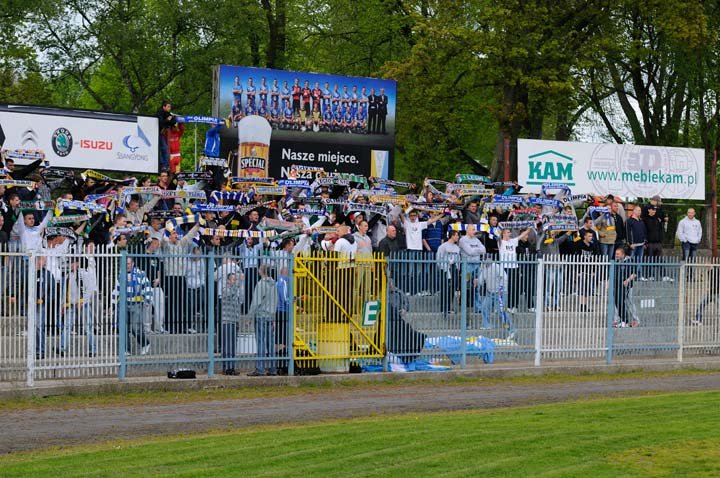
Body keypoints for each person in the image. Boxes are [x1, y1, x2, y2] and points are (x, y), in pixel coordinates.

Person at [113, 257, 153, 355]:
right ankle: (126, 350)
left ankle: (145, 344)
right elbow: (116, 290)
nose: (127, 266)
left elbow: (147, 287)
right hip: (123, 304)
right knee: (123, 327)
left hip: (137, 304)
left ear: (133, 263)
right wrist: (113, 304)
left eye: (129, 263)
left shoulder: (141, 274)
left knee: (136, 328)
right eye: (126, 264)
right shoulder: (120, 275)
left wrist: (147, 300)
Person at [247, 264, 278, 376]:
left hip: (261, 316)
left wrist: (249, 316)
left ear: (261, 271)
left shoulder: (261, 284)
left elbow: (255, 302)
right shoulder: (274, 284)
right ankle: (273, 368)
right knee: (270, 343)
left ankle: (260, 369)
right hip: (270, 316)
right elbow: (275, 301)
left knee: (260, 343)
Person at [497, 227, 532, 313]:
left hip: (514, 267)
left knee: (515, 287)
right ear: (503, 233)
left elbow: (522, 235)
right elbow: (496, 233)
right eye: (508, 232)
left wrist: (530, 227)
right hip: (505, 267)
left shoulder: (512, 241)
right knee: (507, 287)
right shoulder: (500, 242)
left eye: (510, 232)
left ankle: (514, 306)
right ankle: (507, 306)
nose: (510, 234)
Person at [221, 272, 242, 375]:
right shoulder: (225, 290)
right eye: (233, 280)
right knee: (227, 345)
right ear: (228, 280)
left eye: (236, 280)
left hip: (234, 321)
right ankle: (227, 367)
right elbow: (230, 294)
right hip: (227, 321)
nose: (235, 282)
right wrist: (239, 284)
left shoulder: (236, 291)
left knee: (233, 346)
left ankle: (232, 367)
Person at [436, 229, 461, 315]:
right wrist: (444, 268)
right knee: (445, 289)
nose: (458, 237)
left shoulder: (457, 248)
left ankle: (448, 307)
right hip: (445, 269)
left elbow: (458, 260)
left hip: (454, 269)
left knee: (452, 289)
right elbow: (439, 259)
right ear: (452, 236)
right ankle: (443, 308)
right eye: (456, 235)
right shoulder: (443, 246)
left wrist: (457, 269)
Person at [574, 229, 600, 311]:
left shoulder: (592, 246)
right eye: (589, 236)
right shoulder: (579, 244)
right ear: (584, 236)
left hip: (589, 270)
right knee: (582, 289)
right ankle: (581, 305)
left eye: (591, 236)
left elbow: (595, 259)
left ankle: (585, 306)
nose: (591, 238)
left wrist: (593, 270)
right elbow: (576, 258)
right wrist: (577, 271)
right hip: (581, 270)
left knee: (587, 289)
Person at [612, 247, 637, 328]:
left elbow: (634, 274)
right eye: (615, 254)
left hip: (628, 286)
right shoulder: (616, 262)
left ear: (623, 254)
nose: (616, 255)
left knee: (629, 303)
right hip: (618, 286)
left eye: (618, 254)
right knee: (618, 302)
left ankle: (635, 320)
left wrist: (627, 280)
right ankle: (617, 320)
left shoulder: (629, 261)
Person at [156, 101, 176, 171]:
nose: (169, 108)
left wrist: (172, 118)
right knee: (162, 149)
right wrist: (167, 120)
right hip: (155, 133)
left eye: (170, 107)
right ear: (164, 107)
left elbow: (173, 122)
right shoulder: (159, 113)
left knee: (164, 149)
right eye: (168, 106)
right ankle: (163, 165)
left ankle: (165, 165)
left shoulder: (168, 114)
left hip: (161, 134)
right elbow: (161, 123)